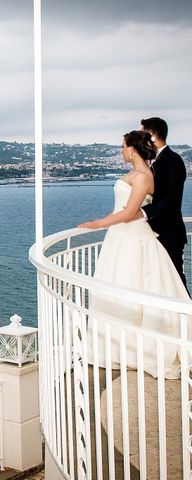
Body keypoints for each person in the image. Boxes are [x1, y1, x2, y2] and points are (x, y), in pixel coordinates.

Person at [79, 130, 191, 379]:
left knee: (130, 286)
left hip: (131, 237)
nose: (121, 151)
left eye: (122, 147)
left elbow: (130, 213)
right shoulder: (136, 174)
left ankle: (135, 350)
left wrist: (96, 224)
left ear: (132, 149)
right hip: (121, 237)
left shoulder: (142, 176)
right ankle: (115, 347)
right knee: (116, 285)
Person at [139, 117, 188, 287]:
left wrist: (143, 213)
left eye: (143, 134)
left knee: (175, 282)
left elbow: (171, 199)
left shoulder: (173, 160)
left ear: (152, 135)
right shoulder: (152, 161)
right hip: (153, 233)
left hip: (169, 233)